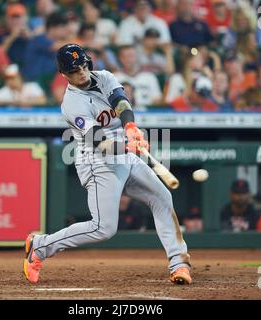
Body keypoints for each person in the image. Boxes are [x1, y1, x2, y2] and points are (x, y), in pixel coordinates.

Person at [23, 43, 192, 285]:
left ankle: (179, 264)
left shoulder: (104, 77)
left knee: (162, 197)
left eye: (82, 65)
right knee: (103, 228)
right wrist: (127, 146)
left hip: (125, 153)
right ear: (63, 75)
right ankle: (40, 246)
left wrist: (131, 128)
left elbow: (121, 102)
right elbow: (99, 142)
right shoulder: (72, 103)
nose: (80, 72)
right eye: (73, 70)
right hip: (98, 160)